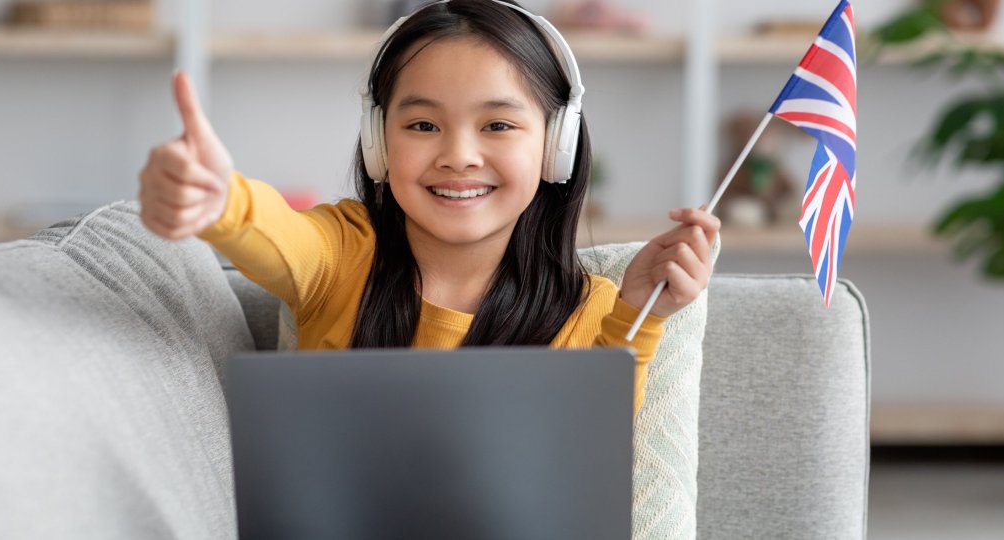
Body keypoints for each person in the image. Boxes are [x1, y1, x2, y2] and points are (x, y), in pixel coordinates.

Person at [138, 0, 719, 414]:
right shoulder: (343, 253)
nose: (459, 156)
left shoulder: (591, 309)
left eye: (497, 124)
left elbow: (589, 463)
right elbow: (274, 230)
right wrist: (220, 199)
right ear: (377, 142)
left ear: (556, 146)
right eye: (422, 124)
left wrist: (638, 314)